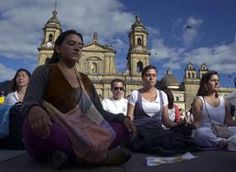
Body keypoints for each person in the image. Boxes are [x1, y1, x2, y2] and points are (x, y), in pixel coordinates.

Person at [22, 30, 135, 169]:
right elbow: (28, 102)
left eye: (80, 46)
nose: (77, 48)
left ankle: (68, 156)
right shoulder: (44, 71)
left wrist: (121, 119)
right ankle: (99, 157)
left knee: (124, 128)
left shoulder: (85, 80)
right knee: (31, 125)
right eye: (71, 44)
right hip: (58, 130)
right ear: (58, 48)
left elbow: (100, 113)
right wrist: (34, 108)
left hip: (84, 131)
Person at [126, 65, 197, 156]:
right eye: (148, 75)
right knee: (163, 141)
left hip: (157, 130)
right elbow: (129, 118)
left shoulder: (162, 95)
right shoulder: (135, 94)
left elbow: (166, 120)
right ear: (143, 78)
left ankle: (159, 148)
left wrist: (179, 124)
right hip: (141, 132)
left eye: (154, 75)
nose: (151, 78)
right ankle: (159, 148)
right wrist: (133, 132)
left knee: (185, 137)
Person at [192, 70, 236, 149]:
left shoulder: (224, 101)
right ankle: (224, 142)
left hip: (223, 132)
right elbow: (197, 123)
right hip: (208, 132)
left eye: (217, 80)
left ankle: (224, 143)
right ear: (205, 84)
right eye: (213, 81)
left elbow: (228, 121)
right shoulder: (199, 100)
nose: (216, 83)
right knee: (200, 133)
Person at [0, 68, 31, 150]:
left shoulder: (33, 96)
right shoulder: (10, 96)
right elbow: (3, 114)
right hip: (12, 128)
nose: (20, 78)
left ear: (29, 79)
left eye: (24, 76)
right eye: (18, 76)